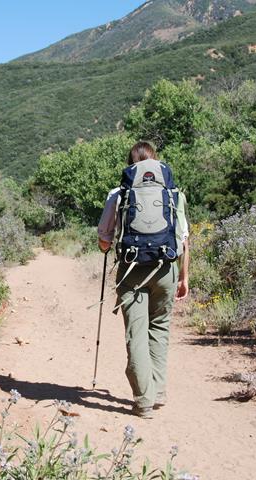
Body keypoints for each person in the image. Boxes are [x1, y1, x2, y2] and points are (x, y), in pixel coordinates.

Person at [96, 141, 190, 418]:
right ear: (156, 162)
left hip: (131, 271)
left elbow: (104, 240)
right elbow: (183, 240)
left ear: (131, 164)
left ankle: (143, 401)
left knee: (136, 335)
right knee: (159, 329)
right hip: (167, 270)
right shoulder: (174, 194)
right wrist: (183, 277)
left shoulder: (118, 194)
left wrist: (106, 246)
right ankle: (158, 392)